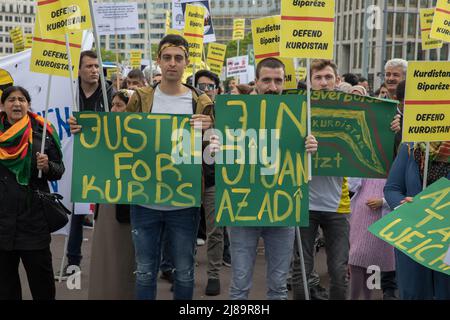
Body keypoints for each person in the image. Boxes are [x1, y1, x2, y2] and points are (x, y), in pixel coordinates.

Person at [291, 60, 401, 300]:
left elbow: (380, 142)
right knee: (301, 266)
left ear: (337, 80)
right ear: (310, 81)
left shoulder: (353, 110)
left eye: (328, 77)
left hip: (338, 205)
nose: (323, 82)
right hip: (303, 203)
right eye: (318, 77)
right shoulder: (296, 110)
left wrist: (393, 127)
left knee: (339, 269)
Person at [126, 34, 214, 300]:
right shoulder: (140, 98)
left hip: (184, 202)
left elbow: (213, 155)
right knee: (144, 271)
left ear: (187, 62)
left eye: (178, 58)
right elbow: (121, 139)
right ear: (158, 61)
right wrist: (85, 130)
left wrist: (210, 133)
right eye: (167, 58)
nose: (172, 63)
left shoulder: (202, 102)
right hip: (144, 199)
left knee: (185, 271)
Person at [228, 57, 318, 300]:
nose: (272, 87)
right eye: (266, 80)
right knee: (239, 286)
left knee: (278, 287)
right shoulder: (235, 112)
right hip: (242, 209)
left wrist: (310, 146)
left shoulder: (297, 115)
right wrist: (217, 144)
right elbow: (219, 153)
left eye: (278, 81)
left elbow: (303, 163)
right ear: (256, 81)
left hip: (282, 209)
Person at [0, 86, 64, 300]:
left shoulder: (43, 131)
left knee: (42, 285)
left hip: (33, 222)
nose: (16, 103)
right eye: (11, 99)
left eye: (21, 99)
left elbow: (59, 170)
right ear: (3, 105)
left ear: (28, 105)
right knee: (5, 287)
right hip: (2, 224)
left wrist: (47, 167)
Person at [62, 50, 114, 279]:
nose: (95, 71)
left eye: (97, 66)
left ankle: (108, 264)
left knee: (106, 213)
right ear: (79, 70)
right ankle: (73, 262)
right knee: (76, 211)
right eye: (90, 66)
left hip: (105, 159)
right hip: (76, 157)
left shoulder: (110, 92)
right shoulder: (68, 93)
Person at [384, 141, 450, 299]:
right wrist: (403, 205)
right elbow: (392, 189)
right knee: (413, 293)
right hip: (414, 238)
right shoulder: (410, 147)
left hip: (446, 242)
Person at [346, 86, 395, 300]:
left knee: (375, 265)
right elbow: (351, 184)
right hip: (360, 215)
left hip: (382, 215)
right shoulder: (362, 147)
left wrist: (384, 201)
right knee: (356, 260)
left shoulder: (397, 149)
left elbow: (402, 186)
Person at [87, 89, 136, 300]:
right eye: (113, 104)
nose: (114, 109)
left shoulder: (139, 136)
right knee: (104, 259)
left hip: (128, 207)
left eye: (119, 105)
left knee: (125, 260)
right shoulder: (103, 133)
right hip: (106, 203)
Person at [194, 69, 228, 296]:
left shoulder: (227, 112)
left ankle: (214, 275)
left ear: (217, 90)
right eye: (200, 86)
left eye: (209, 86)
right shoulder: (187, 109)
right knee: (186, 229)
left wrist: (213, 126)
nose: (205, 90)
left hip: (214, 178)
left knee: (215, 230)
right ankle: (183, 271)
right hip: (187, 178)